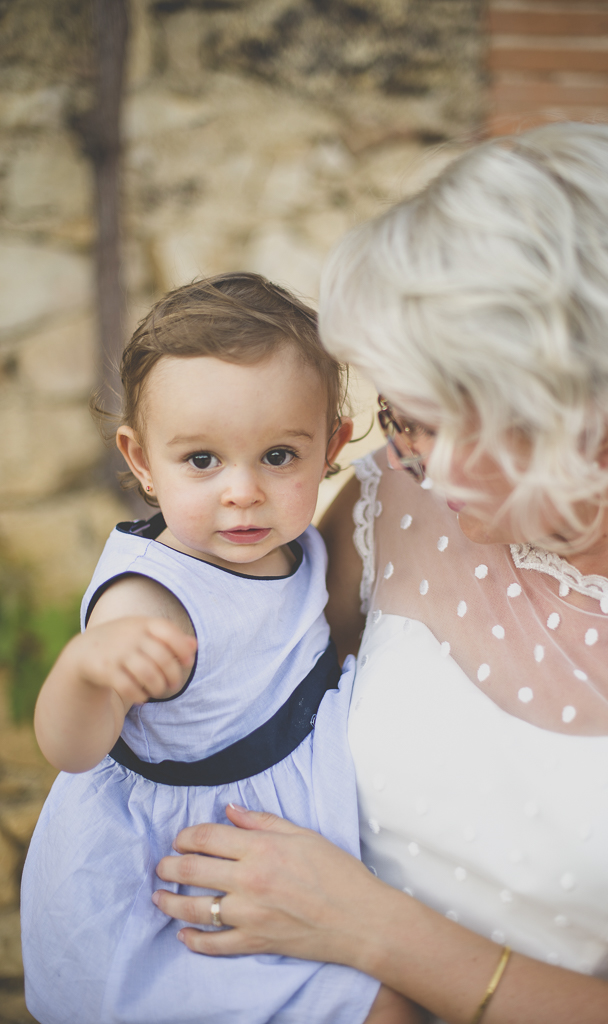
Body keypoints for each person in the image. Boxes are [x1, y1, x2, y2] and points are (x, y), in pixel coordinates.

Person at [151, 124, 608, 1023]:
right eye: (398, 413)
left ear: (585, 416)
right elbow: (236, 698)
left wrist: (372, 932)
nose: (397, 451)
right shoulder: (395, 499)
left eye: (430, 419)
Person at [21, 273, 420, 1024]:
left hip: (277, 849)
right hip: (175, 887)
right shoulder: (152, 597)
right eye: (201, 461)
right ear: (141, 461)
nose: (243, 492)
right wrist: (84, 671)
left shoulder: (296, 543)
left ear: (331, 445)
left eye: (278, 456)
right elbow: (71, 750)